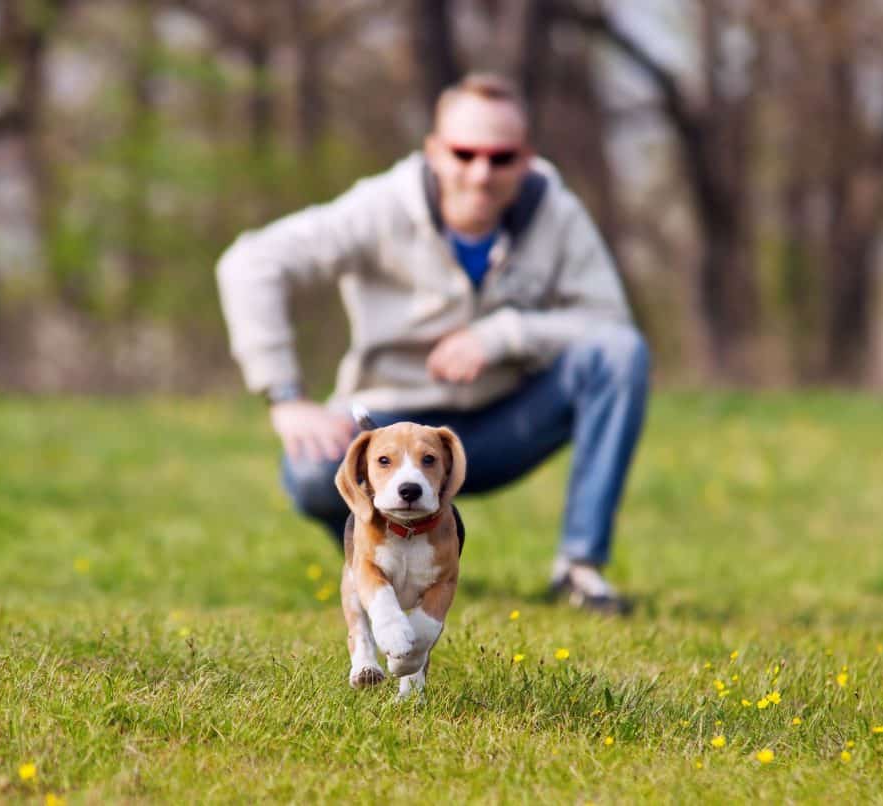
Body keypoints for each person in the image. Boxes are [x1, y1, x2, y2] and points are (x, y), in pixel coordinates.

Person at [216, 72, 649, 613]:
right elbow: (250, 261)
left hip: (502, 425)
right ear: (435, 152)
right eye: (464, 154)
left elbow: (611, 324)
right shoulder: (382, 205)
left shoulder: (556, 212)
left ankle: (579, 571)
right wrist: (284, 394)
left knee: (619, 356)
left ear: (526, 157)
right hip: (389, 420)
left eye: (501, 157)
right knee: (307, 472)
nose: (481, 173)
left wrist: (502, 335)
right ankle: (376, 558)